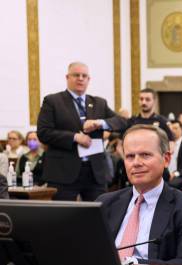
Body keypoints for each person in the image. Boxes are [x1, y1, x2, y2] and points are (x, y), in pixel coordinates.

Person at [97, 125, 182, 265]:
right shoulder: (105, 203)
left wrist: (133, 264)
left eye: (145, 155)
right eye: (130, 156)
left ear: (166, 159)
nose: (136, 163)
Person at [37, 62, 126, 201]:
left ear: (88, 79)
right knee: (63, 219)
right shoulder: (53, 101)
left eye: (84, 76)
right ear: (67, 77)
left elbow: (122, 122)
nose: (80, 78)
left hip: (94, 172)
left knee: (98, 216)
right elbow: (43, 132)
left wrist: (100, 123)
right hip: (63, 172)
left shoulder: (99, 103)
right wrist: (74, 137)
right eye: (76, 75)